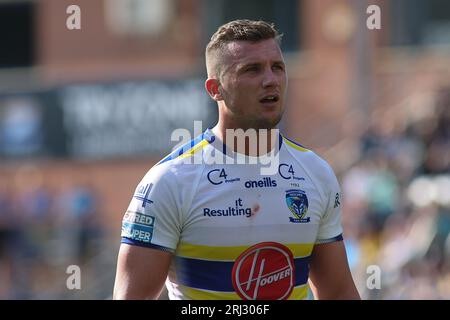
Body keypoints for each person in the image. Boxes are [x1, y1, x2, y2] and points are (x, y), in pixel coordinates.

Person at [113, 19, 360, 300]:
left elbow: (338, 292)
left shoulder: (315, 173)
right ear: (214, 89)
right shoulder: (170, 181)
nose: (271, 79)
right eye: (251, 70)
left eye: (277, 67)